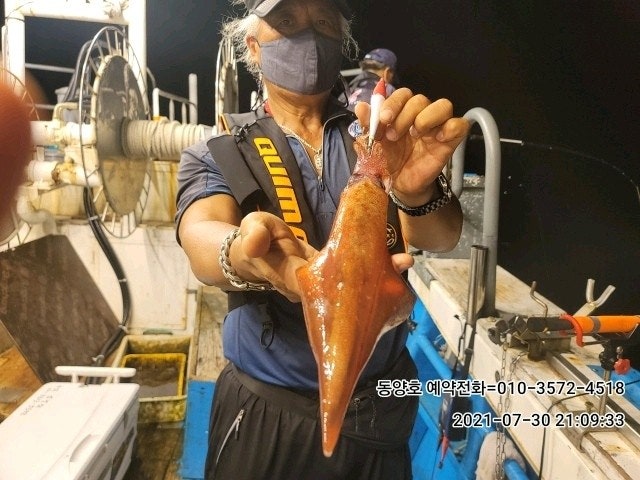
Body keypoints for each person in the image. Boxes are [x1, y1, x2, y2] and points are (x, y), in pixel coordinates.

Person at [175, 0, 469, 478]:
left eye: (323, 22)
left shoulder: (378, 139)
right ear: (254, 46)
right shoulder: (218, 151)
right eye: (286, 21)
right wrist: (244, 252)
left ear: (341, 39)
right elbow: (200, 236)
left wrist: (416, 190)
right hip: (268, 409)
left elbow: (440, 237)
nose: (308, 35)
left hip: (378, 415)